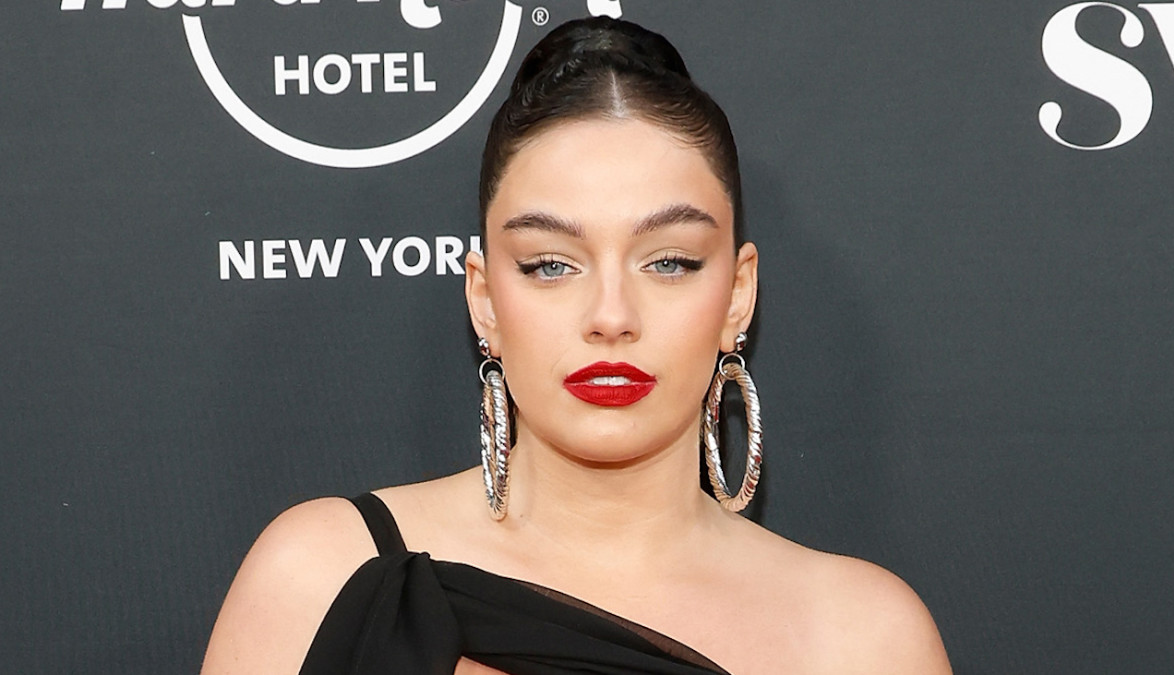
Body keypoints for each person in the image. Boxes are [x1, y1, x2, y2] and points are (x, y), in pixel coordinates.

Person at [200, 17, 952, 675]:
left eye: (670, 261)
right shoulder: (327, 577)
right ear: (485, 298)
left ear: (738, 296)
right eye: (550, 264)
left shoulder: (864, 638)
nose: (611, 315)